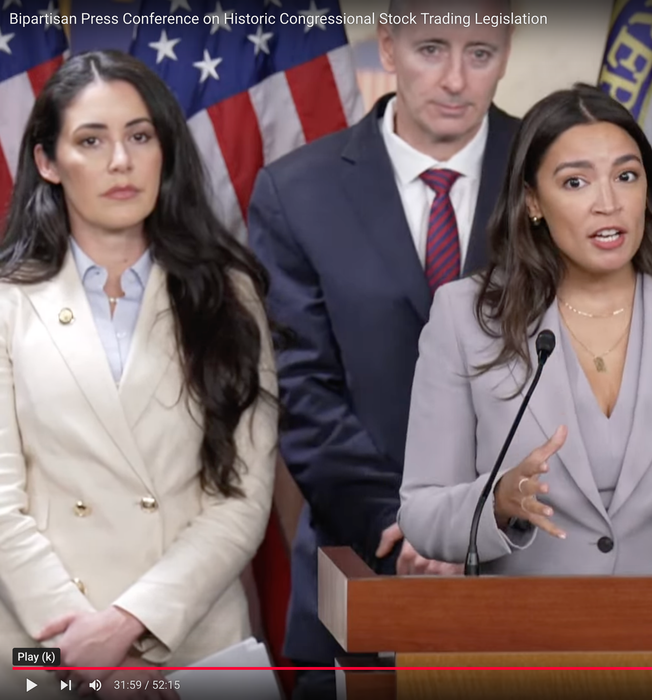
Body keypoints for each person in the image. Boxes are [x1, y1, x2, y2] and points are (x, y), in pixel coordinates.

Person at [397, 83, 652, 574]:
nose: (608, 202)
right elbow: (422, 512)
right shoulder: (468, 318)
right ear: (533, 202)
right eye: (575, 183)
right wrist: (498, 501)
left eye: (626, 176)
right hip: (528, 642)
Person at [247, 0, 519, 692]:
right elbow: (303, 393)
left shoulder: (558, 171)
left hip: (531, 568)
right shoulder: (295, 191)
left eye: (480, 53)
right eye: (432, 49)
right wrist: (406, 529)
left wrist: (483, 527)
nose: (456, 79)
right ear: (388, 47)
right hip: (360, 562)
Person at [0, 51, 278, 699]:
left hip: (194, 639)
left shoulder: (229, 296)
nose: (120, 161)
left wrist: (130, 623)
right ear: (47, 162)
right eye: (91, 140)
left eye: (139, 136)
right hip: (44, 645)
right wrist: (80, 639)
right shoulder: (7, 302)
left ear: (165, 150)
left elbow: (242, 498)